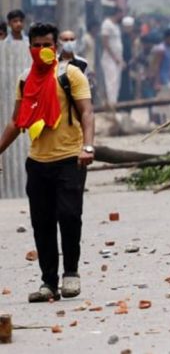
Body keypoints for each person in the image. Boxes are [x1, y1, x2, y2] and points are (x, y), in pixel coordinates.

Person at [0, 23, 95, 302]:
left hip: (70, 159)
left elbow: (87, 113)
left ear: (56, 47)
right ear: (30, 47)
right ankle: (48, 282)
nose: (42, 50)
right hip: (37, 162)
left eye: (47, 45)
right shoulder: (24, 79)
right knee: (42, 224)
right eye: (37, 45)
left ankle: (71, 274)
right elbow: (17, 122)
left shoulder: (70, 74)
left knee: (68, 216)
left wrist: (88, 146)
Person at [100, 7, 124, 104]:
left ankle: (114, 103)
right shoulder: (107, 24)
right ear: (117, 13)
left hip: (117, 59)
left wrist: (120, 59)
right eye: (121, 14)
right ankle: (111, 104)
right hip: (109, 59)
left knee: (117, 83)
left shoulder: (117, 26)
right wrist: (114, 58)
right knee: (111, 82)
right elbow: (105, 43)